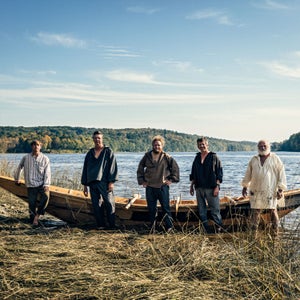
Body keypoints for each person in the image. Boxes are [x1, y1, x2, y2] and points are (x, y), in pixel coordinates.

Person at [241, 139, 287, 237]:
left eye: (264, 146)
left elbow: (281, 174)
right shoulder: (254, 159)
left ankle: (276, 232)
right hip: (255, 189)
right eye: (260, 146)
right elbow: (248, 174)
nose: (262, 148)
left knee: (273, 210)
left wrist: (280, 189)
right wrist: (245, 186)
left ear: (268, 147)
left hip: (270, 189)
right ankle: (254, 233)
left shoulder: (275, 158)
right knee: (255, 211)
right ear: (257, 148)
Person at [137, 135, 180, 232]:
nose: (157, 147)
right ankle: (153, 228)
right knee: (151, 209)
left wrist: (171, 180)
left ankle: (169, 227)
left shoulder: (167, 157)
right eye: (155, 145)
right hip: (150, 187)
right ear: (152, 145)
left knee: (166, 208)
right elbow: (140, 169)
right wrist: (142, 181)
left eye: (159, 145)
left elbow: (176, 170)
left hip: (162, 187)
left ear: (162, 146)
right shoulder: (147, 156)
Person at [81, 130, 118, 229]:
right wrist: (85, 186)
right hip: (92, 182)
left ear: (102, 139)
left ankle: (112, 226)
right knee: (96, 205)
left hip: (104, 182)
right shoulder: (90, 153)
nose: (97, 140)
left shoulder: (108, 151)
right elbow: (85, 169)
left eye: (99, 138)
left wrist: (111, 182)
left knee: (109, 203)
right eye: (95, 138)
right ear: (93, 139)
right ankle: (101, 225)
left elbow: (113, 167)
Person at [189, 137, 223, 233]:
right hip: (199, 187)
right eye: (200, 145)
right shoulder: (197, 157)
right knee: (201, 210)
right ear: (197, 146)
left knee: (215, 210)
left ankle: (219, 227)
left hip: (211, 188)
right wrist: (191, 186)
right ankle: (205, 228)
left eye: (203, 144)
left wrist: (217, 187)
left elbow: (219, 173)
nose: (202, 146)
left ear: (207, 145)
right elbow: (193, 173)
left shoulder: (214, 157)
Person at [14, 140, 51, 226]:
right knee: (31, 204)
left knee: (46, 196)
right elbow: (19, 167)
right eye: (34, 145)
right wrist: (17, 178)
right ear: (32, 147)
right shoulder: (26, 157)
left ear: (40, 147)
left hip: (41, 184)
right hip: (30, 184)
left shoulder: (45, 158)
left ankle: (37, 216)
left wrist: (46, 184)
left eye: (37, 145)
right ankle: (32, 221)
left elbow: (47, 172)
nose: (36, 146)